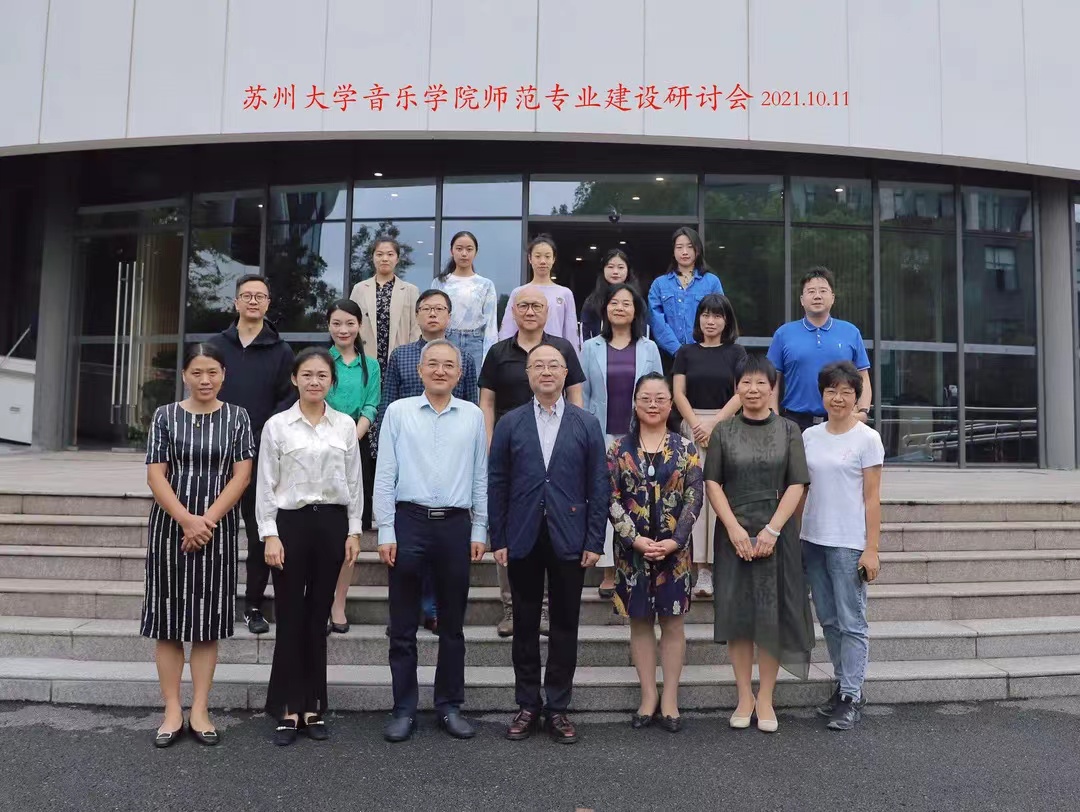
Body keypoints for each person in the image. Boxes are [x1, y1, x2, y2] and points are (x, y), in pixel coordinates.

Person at [489, 344, 609, 744]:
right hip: (522, 534)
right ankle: (527, 704)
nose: (546, 371)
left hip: (570, 535)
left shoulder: (586, 423)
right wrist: (498, 537)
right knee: (524, 624)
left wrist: (595, 539)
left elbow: (598, 484)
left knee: (564, 624)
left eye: (553, 365)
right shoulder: (510, 422)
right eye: (537, 365)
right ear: (527, 374)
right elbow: (497, 482)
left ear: (565, 373)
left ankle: (558, 706)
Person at [374, 339, 488, 743]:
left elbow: (479, 474)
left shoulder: (472, 415)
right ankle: (403, 709)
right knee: (403, 625)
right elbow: (385, 474)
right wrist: (385, 529)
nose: (441, 371)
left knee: (452, 625)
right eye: (433, 364)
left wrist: (480, 527)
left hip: (454, 525)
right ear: (420, 370)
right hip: (409, 522)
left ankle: (449, 706)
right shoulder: (399, 412)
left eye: (449, 365)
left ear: (460, 374)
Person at [141, 343, 254, 748]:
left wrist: (205, 521)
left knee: (207, 624)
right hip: (170, 528)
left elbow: (242, 476)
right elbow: (156, 475)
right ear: (185, 376)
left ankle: (201, 709)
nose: (205, 380)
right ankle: (172, 710)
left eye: (212, 372)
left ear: (223, 374)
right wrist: (186, 520)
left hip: (218, 530)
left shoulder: (238, 417)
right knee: (168, 622)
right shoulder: (165, 416)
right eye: (197, 372)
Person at [257, 348, 364, 746]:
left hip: (332, 524)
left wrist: (354, 531)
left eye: (322, 375)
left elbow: (354, 482)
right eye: (307, 375)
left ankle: (314, 706)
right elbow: (265, 483)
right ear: (295, 379)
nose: (314, 381)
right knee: (290, 616)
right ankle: (288, 708)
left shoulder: (344, 426)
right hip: (291, 525)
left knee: (318, 617)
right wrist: (269, 533)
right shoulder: (277, 426)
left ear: (331, 382)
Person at [704, 354, 813, 734]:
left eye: (760, 383)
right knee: (738, 618)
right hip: (732, 533)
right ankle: (743, 696)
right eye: (745, 383)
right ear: (736, 388)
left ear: (772, 388)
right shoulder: (723, 431)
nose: (753, 389)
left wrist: (773, 530)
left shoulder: (788, 430)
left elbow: (797, 483)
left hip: (776, 534)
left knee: (770, 617)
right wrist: (734, 529)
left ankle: (765, 697)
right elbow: (712, 482)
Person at [479, 285, 586, 637]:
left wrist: (576, 441)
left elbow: (576, 398)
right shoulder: (497, 352)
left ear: (547, 312)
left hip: (557, 449)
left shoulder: (563, 349)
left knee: (553, 524)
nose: (529, 311)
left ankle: (545, 609)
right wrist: (491, 444)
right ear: (512, 311)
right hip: (512, 450)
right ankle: (512, 607)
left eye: (536, 306)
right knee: (511, 525)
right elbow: (487, 403)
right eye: (522, 305)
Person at [376, 288, 480, 633]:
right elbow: (387, 399)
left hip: (449, 453)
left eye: (440, 309)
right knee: (407, 556)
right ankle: (407, 613)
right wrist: (381, 446)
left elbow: (470, 401)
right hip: (408, 451)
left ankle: (433, 610)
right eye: (427, 308)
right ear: (417, 314)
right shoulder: (402, 355)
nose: (433, 314)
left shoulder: (463, 358)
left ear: (449, 316)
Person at [608, 373, 702, 732]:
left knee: (673, 623)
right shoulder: (618, 449)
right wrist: (633, 539)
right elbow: (610, 498)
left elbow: (695, 497)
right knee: (640, 622)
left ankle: (670, 699)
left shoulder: (686, 448)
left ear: (670, 404)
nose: (652, 404)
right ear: (635, 403)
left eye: (660, 398)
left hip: (674, 554)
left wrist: (677, 539)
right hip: (631, 552)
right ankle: (648, 696)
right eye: (645, 398)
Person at [209, 274, 295, 636]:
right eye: (247, 295)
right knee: (214, 528)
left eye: (260, 296)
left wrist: (257, 439)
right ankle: (214, 600)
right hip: (215, 455)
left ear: (268, 303)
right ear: (236, 302)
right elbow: (203, 390)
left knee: (261, 532)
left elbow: (286, 401)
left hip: (262, 455)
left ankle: (254, 605)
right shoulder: (216, 346)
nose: (254, 301)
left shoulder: (282, 351)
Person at [801, 361, 884, 731]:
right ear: (822, 394)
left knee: (852, 621)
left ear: (856, 397)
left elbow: (872, 498)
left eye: (846, 392)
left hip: (849, 542)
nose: (838, 398)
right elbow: (801, 490)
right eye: (831, 390)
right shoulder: (809, 436)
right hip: (812, 539)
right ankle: (844, 685)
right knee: (830, 620)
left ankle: (851, 695)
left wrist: (872, 548)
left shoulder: (868, 439)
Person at [580, 283, 662, 596]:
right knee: (605, 497)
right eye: (614, 303)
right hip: (601, 434)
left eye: (626, 303)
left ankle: (637, 563)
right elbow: (582, 394)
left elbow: (658, 392)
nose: (620, 308)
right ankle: (608, 570)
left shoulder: (649, 348)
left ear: (636, 310)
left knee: (636, 499)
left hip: (639, 436)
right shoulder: (591, 348)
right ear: (605, 309)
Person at [672, 294, 747, 599]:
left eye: (717, 315)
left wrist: (714, 423)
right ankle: (699, 569)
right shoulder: (685, 352)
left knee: (721, 497)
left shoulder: (736, 353)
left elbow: (741, 392)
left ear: (726, 321)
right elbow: (678, 393)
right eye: (705, 315)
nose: (710, 321)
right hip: (691, 428)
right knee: (693, 497)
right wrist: (696, 425)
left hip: (725, 426)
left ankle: (718, 567)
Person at [324, 299, 381, 635]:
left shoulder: (369, 366)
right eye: (336, 323)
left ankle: (339, 603)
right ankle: (319, 600)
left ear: (359, 325)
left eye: (349, 323)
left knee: (350, 528)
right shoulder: (321, 360)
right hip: (318, 445)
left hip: (355, 447)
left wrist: (350, 437)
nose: (343, 330)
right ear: (328, 326)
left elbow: (371, 406)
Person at [767, 267, 872, 431]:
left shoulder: (851, 332)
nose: (817, 296)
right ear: (802, 300)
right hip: (795, 423)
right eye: (811, 291)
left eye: (823, 291)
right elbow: (772, 381)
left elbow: (863, 376)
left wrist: (863, 412)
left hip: (842, 420)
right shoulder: (784, 334)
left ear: (833, 298)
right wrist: (774, 418)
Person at [647, 227, 723, 367]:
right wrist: (678, 351)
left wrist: (701, 348)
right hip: (668, 357)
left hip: (705, 355)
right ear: (673, 251)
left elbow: (719, 316)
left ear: (697, 250)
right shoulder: (660, 284)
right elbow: (656, 321)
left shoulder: (712, 282)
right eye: (679, 247)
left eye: (690, 247)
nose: (685, 252)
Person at [349, 236, 422, 372]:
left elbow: (416, 327)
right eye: (379, 254)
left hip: (400, 357)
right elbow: (350, 322)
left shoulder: (410, 290)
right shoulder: (359, 289)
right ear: (372, 257)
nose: (385, 259)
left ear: (397, 259)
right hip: (366, 357)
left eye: (390, 254)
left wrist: (412, 356)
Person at [431, 230, 499, 374]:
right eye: (459, 249)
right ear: (451, 251)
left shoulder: (485, 284)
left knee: (473, 385)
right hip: (447, 339)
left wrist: (489, 356)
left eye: (469, 249)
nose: (464, 254)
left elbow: (491, 324)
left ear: (475, 252)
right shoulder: (440, 283)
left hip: (475, 342)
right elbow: (433, 316)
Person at [499, 235, 579, 349]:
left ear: (553, 259)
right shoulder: (518, 293)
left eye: (547, 256)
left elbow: (571, 332)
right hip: (523, 353)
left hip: (555, 354)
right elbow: (508, 329)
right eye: (537, 256)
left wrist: (572, 356)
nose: (542, 261)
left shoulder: (565, 294)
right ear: (530, 259)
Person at [579, 248, 641, 342]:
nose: (615, 271)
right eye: (610, 267)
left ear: (628, 270)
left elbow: (643, 327)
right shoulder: (592, 301)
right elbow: (585, 331)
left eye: (620, 267)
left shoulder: (637, 299)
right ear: (603, 269)